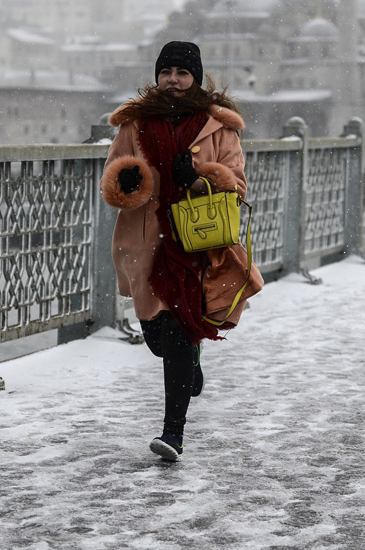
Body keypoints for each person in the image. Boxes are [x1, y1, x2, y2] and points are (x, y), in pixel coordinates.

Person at [99, 40, 263, 460]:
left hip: (196, 242)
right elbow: (114, 176)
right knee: (156, 336)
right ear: (157, 76)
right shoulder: (133, 124)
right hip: (146, 243)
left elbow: (237, 185)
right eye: (167, 72)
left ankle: (173, 432)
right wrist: (128, 183)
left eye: (182, 73)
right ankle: (191, 360)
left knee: (177, 329)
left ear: (196, 78)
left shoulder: (217, 125)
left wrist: (197, 179)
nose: (173, 80)